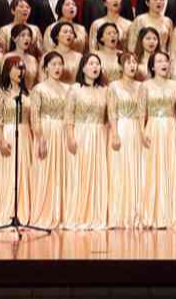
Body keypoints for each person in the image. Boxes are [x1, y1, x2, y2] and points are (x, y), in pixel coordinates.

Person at [63, 54, 110, 230]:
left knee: (97, 174)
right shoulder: (75, 89)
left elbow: (109, 116)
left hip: (99, 135)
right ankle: (78, 214)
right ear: (83, 68)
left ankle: (95, 215)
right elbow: (68, 115)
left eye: (97, 63)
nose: (95, 67)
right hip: (81, 134)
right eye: (91, 63)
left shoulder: (105, 90)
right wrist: (70, 136)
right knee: (79, 173)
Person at [0, 56, 35, 228]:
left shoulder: (28, 93)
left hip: (25, 134)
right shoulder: (0, 92)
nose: (20, 71)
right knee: (8, 172)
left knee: (24, 171)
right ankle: (6, 211)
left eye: (22, 68)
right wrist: (1, 140)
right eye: (16, 68)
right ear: (7, 71)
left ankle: (22, 210)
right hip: (8, 133)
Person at [140, 51, 176, 229]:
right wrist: (142, 130)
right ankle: (152, 212)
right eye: (159, 61)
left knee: (170, 167)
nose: (163, 64)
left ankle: (169, 214)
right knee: (152, 169)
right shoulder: (145, 86)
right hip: (153, 127)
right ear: (152, 66)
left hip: (171, 128)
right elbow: (142, 111)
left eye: (166, 60)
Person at [28, 52, 69, 229]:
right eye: (53, 64)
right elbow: (34, 116)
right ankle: (44, 212)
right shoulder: (39, 89)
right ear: (45, 68)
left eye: (60, 64)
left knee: (63, 171)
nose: (57, 68)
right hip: (45, 131)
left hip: (63, 131)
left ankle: (61, 212)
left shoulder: (68, 89)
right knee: (44, 171)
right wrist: (40, 137)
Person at [107, 52, 146, 229]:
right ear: (121, 66)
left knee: (136, 169)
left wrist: (142, 131)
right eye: (128, 62)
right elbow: (112, 111)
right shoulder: (113, 86)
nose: (132, 65)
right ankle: (119, 214)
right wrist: (115, 133)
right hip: (121, 128)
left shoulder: (141, 87)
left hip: (136, 130)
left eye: (134, 62)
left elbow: (142, 112)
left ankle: (135, 212)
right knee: (120, 169)